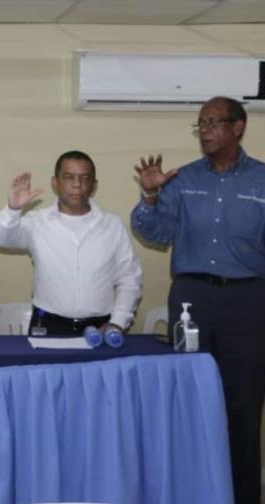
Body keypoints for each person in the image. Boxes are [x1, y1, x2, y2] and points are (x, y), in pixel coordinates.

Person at [131, 96, 265, 504]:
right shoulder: (183, 180)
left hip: (248, 299)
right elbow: (153, 234)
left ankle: (242, 497)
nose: (205, 130)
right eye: (200, 123)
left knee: (242, 406)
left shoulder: (262, 180)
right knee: (187, 398)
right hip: (191, 299)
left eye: (213, 122)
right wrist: (151, 197)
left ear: (238, 127)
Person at [0, 150, 142, 335]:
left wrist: (118, 322)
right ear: (55, 182)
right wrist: (13, 210)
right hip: (47, 325)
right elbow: (3, 239)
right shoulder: (37, 222)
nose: (77, 185)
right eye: (68, 177)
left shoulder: (113, 226)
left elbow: (129, 279)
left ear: (94, 185)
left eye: (84, 178)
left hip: (102, 328)